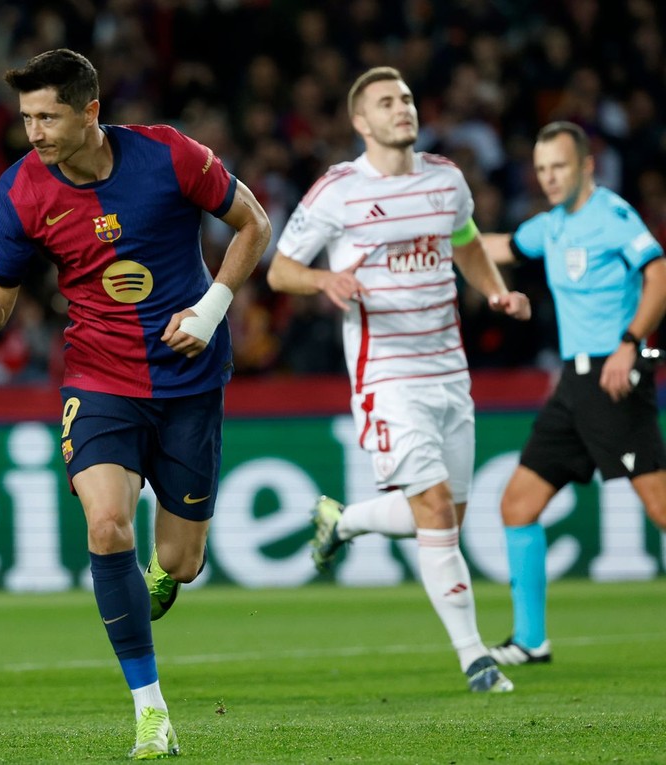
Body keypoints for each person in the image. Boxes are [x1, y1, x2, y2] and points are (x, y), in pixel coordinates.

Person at [0, 49, 270, 759]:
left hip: (190, 380)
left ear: (90, 111)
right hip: (99, 381)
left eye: (49, 116)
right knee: (106, 528)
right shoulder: (22, 189)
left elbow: (255, 224)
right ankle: (150, 712)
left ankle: (161, 578)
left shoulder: (169, 155)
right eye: (27, 117)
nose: (34, 132)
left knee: (181, 563)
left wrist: (213, 309)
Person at [265, 66, 530, 693]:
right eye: (386, 102)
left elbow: (464, 240)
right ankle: (476, 659)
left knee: (443, 519)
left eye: (407, 98)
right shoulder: (337, 191)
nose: (401, 108)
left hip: (449, 370)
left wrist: (494, 292)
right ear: (362, 122)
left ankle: (345, 521)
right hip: (387, 375)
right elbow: (280, 271)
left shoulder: (446, 179)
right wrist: (323, 280)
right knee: (434, 508)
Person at [478, 121, 666, 665]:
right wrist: (438, 238)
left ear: (586, 165)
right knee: (517, 505)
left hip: (615, 378)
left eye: (558, 166)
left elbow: (658, 274)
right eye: (541, 169)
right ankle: (531, 640)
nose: (549, 178)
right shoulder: (551, 226)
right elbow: (502, 247)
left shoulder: (612, 216)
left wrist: (631, 344)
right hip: (573, 386)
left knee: (659, 508)